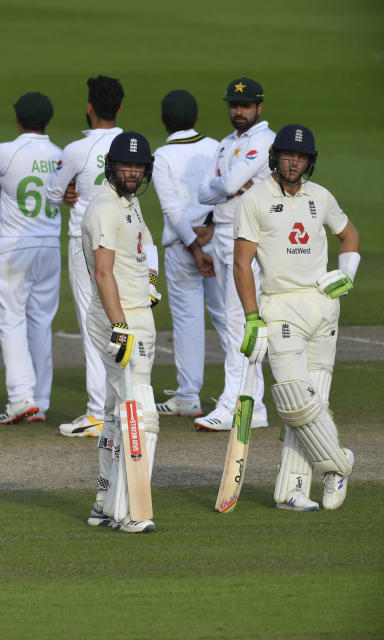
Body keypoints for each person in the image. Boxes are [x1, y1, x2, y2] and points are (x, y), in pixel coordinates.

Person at [234, 124, 359, 511]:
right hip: (280, 305)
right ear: (276, 156)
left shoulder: (320, 196)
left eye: (301, 157)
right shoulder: (255, 199)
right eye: (289, 155)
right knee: (294, 400)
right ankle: (339, 464)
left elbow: (350, 236)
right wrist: (252, 318)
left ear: (310, 161)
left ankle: (291, 491)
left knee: (313, 402)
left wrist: (346, 277)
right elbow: (241, 263)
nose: (294, 162)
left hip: (323, 306)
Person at [81, 131, 161, 533]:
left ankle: (103, 502)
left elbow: (136, 254)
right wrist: (120, 326)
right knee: (140, 415)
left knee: (118, 413)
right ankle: (128, 509)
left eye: (138, 166)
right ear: (111, 167)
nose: (132, 172)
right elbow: (102, 272)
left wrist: (148, 284)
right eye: (125, 165)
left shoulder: (130, 201)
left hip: (134, 312)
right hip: (120, 318)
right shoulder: (104, 208)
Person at [46, 75, 127, 438]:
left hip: (85, 241)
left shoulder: (76, 150)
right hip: (124, 242)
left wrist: (68, 195)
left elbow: (52, 193)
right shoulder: (130, 144)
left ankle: (98, 412)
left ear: (89, 107)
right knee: (120, 319)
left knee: (91, 320)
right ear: (120, 108)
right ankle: (124, 407)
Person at [195, 77, 273, 431]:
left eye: (244, 105)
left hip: (249, 239)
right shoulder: (226, 144)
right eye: (233, 105)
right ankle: (252, 406)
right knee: (232, 323)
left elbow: (222, 186)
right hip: (223, 234)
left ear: (259, 107)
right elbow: (205, 193)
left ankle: (232, 404)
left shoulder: (265, 141)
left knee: (239, 321)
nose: (238, 111)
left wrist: (224, 187)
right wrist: (226, 187)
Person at [0, 92, 61, 424]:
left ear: (17, 119)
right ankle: (40, 401)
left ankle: (20, 397)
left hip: (15, 246)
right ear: (48, 121)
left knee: (11, 319)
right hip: (50, 245)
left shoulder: (3, 152)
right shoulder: (61, 155)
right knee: (41, 322)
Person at [150, 90, 224, 418]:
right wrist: (208, 234)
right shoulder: (217, 146)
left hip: (184, 250)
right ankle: (243, 392)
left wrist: (194, 249)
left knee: (188, 321)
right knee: (226, 317)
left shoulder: (163, 157)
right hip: (219, 239)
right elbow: (227, 194)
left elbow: (172, 208)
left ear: (164, 120)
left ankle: (188, 395)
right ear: (195, 118)